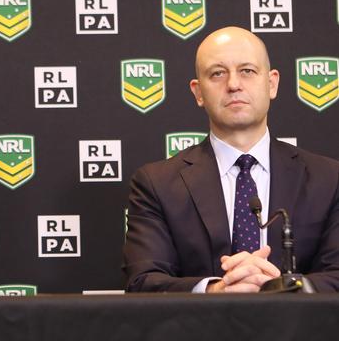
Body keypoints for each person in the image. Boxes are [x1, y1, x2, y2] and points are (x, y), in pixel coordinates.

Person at [123, 26, 339, 293]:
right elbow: (143, 281)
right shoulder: (156, 184)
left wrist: (280, 287)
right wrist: (217, 290)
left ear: (271, 84)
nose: (234, 84)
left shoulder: (329, 180)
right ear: (198, 92)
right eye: (217, 73)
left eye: (247, 71)